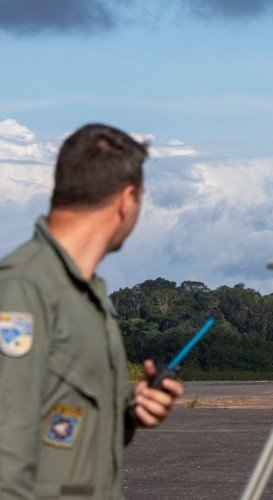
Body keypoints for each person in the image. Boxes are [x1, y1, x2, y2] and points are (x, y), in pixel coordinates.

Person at [0, 124, 183, 498]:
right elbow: (6, 459)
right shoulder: (24, 289)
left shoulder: (89, 296)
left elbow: (60, 420)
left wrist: (131, 410)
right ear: (126, 199)